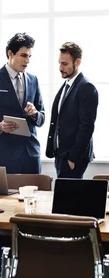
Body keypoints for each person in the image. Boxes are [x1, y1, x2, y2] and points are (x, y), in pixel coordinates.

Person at [0, 33, 45, 174]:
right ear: (10, 53)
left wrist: (34, 114)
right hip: (4, 154)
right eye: (23, 55)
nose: (27, 61)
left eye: (29, 56)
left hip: (31, 154)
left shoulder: (33, 80)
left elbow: (42, 117)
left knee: (34, 196)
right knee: (3, 196)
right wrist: (0, 126)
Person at [46, 42, 98, 179]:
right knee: (64, 198)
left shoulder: (86, 87)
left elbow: (86, 127)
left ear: (78, 62)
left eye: (65, 64)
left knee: (69, 199)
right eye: (59, 63)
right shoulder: (67, 84)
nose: (60, 68)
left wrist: (73, 158)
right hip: (61, 154)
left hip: (73, 157)